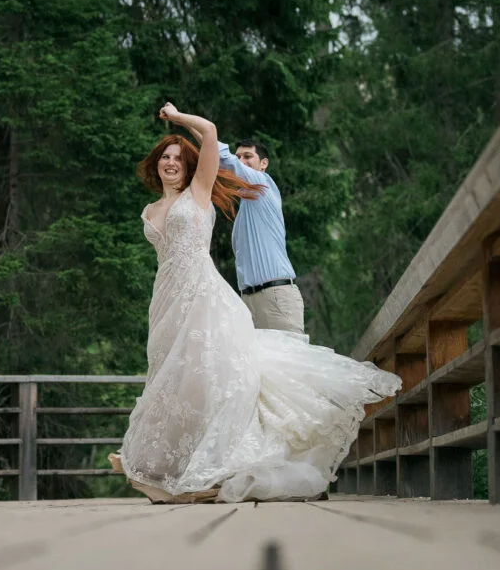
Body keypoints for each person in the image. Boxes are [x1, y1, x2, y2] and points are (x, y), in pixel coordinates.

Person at [111, 103, 401, 503]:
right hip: (168, 299)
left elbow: (211, 135)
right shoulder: (152, 209)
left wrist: (177, 119)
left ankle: (286, 462)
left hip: (214, 293)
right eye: (165, 156)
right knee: (180, 379)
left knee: (240, 375)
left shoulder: (215, 191)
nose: (171, 162)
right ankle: (173, 461)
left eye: (179, 157)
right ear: (155, 164)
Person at [178, 109, 305, 333]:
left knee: (292, 366)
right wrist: (190, 128)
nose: (241, 161)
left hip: (275, 297)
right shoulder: (247, 204)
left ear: (263, 164)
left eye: (248, 156)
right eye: (239, 157)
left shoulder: (263, 186)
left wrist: (179, 117)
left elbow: (223, 159)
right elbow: (216, 156)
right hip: (249, 301)